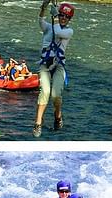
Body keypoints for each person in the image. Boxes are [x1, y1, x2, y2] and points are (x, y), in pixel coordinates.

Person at [33, 1, 75, 137]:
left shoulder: (68, 31)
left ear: (69, 19)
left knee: (56, 95)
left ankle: (58, 116)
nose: (63, 18)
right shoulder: (49, 27)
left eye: (66, 16)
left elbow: (58, 31)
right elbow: (40, 21)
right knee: (44, 92)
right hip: (45, 64)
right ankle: (38, 123)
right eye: (61, 15)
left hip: (58, 66)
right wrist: (44, 7)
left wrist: (55, 15)